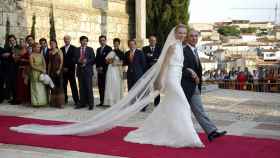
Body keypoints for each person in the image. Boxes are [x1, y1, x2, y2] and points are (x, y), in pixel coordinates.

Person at [11, 25, 213, 148]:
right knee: (183, 106)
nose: (182, 35)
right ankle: (189, 138)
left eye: (184, 33)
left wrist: (190, 72)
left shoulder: (180, 46)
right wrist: (160, 80)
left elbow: (180, 65)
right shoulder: (171, 46)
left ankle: (166, 132)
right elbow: (166, 65)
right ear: (175, 33)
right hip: (170, 80)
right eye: (180, 32)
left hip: (176, 79)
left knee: (171, 108)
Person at [182, 28, 226, 142]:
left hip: (194, 87)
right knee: (181, 112)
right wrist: (192, 74)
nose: (194, 38)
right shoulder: (183, 51)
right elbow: (180, 69)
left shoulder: (195, 50)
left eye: (196, 36)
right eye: (191, 36)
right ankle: (210, 131)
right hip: (185, 87)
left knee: (199, 110)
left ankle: (211, 132)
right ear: (187, 37)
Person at [75, 36, 95, 110]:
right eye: (83, 41)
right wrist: (78, 60)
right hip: (80, 71)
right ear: (80, 41)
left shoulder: (90, 49)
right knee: (81, 88)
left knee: (89, 88)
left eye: (86, 41)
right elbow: (74, 59)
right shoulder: (77, 50)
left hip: (88, 71)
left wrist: (86, 61)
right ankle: (82, 103)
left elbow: (93, 59)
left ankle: (91, 104)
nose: (85, 42)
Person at [103, 38, 124, 106]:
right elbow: (106, 61)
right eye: (115, 43)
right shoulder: (111, 51)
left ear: (119, 44)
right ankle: (111, 102)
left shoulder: (121, 52)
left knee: (117, 85)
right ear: (113, 44)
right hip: (111, 70)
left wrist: (117, 63)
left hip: (118, 70)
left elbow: (122, 62)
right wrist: (110, 61)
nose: (116, 44)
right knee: (110, 85)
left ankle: (117, 101)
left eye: (117, 43)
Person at [142, 35, 162, 108]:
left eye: (154, 40)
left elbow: (160, 58)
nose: (152, 42)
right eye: (151, 40)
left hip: (157, 71)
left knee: (156, 87)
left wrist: (151, 58)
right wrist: (153, 59)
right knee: (146, 88)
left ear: (156, 41)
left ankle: (157, 104)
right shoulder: (144, 49)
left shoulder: (159, 49)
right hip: (147, 71)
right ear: (149, 41)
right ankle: (145, 104)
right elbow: (144, 59)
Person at [60, 35, 80, 106]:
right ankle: (65, 99)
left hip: (71, 70)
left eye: (68, 39)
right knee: (64, 85)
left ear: (70, 40)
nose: (66, 40)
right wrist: (63, 67)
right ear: (64, 40)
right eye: (65, 39)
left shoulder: (74, 48)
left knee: (73, 86)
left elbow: (74, 59)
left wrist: (67, 67)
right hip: (63, 71)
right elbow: (60, 59)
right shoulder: (61, 48)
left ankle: (76, 100)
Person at [96, 35, 112, 107]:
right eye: (100, 40)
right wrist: (97, 67)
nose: (102, 42)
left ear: (105, 41)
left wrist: (102, 67)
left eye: (103, 40)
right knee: (100, 86)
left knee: (106, 86)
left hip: (106, 71)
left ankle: (107, 102)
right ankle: (102, 101)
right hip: (99, 71)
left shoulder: (109, 49)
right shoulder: (98, 49)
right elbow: (97, 60)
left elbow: (109, 60)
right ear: (99, 41)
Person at [48, 40, 64, 108]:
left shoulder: (59, 51)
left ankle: (60, 103)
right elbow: (49, 63)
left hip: (58, 71)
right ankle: (53, 102)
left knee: (59, 86)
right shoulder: (50, 52)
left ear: (56, 44)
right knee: (53, 86)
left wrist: (59, 70)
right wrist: (48, 72)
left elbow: (61, 62)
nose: (52, 45)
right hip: (52, 71)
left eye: (53, 43)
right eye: (51, 44)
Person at [15, 40, 30, 105]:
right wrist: (16, 58)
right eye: (20, 42)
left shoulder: (28, 51)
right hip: (19, 69)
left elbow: (31, 60)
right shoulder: (18, 51)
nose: (21, 43)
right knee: (20, 84)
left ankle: (26, 99)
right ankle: (21, 99)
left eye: (22, 42)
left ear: (25, 43)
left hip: (26, 69)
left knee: (25, 84)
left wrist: (25, 60)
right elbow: (16, 61)